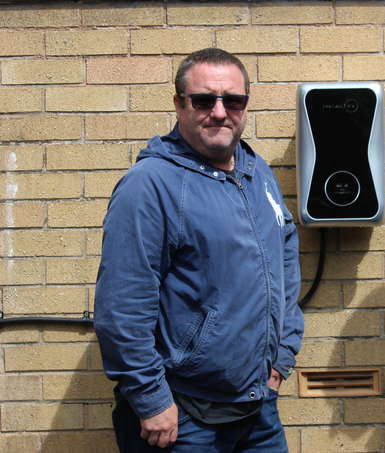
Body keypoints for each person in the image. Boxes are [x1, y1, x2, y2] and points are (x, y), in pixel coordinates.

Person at [94, 48, 303, 453]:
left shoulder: (255, 172)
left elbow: (285, 257)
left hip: (256, 410)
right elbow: (122, 305)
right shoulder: (150, 184)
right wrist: (151, 398)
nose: (220, 112)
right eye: (204, 100)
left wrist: (280, 358)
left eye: (233, 100)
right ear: (179, 104)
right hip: (181, 416)